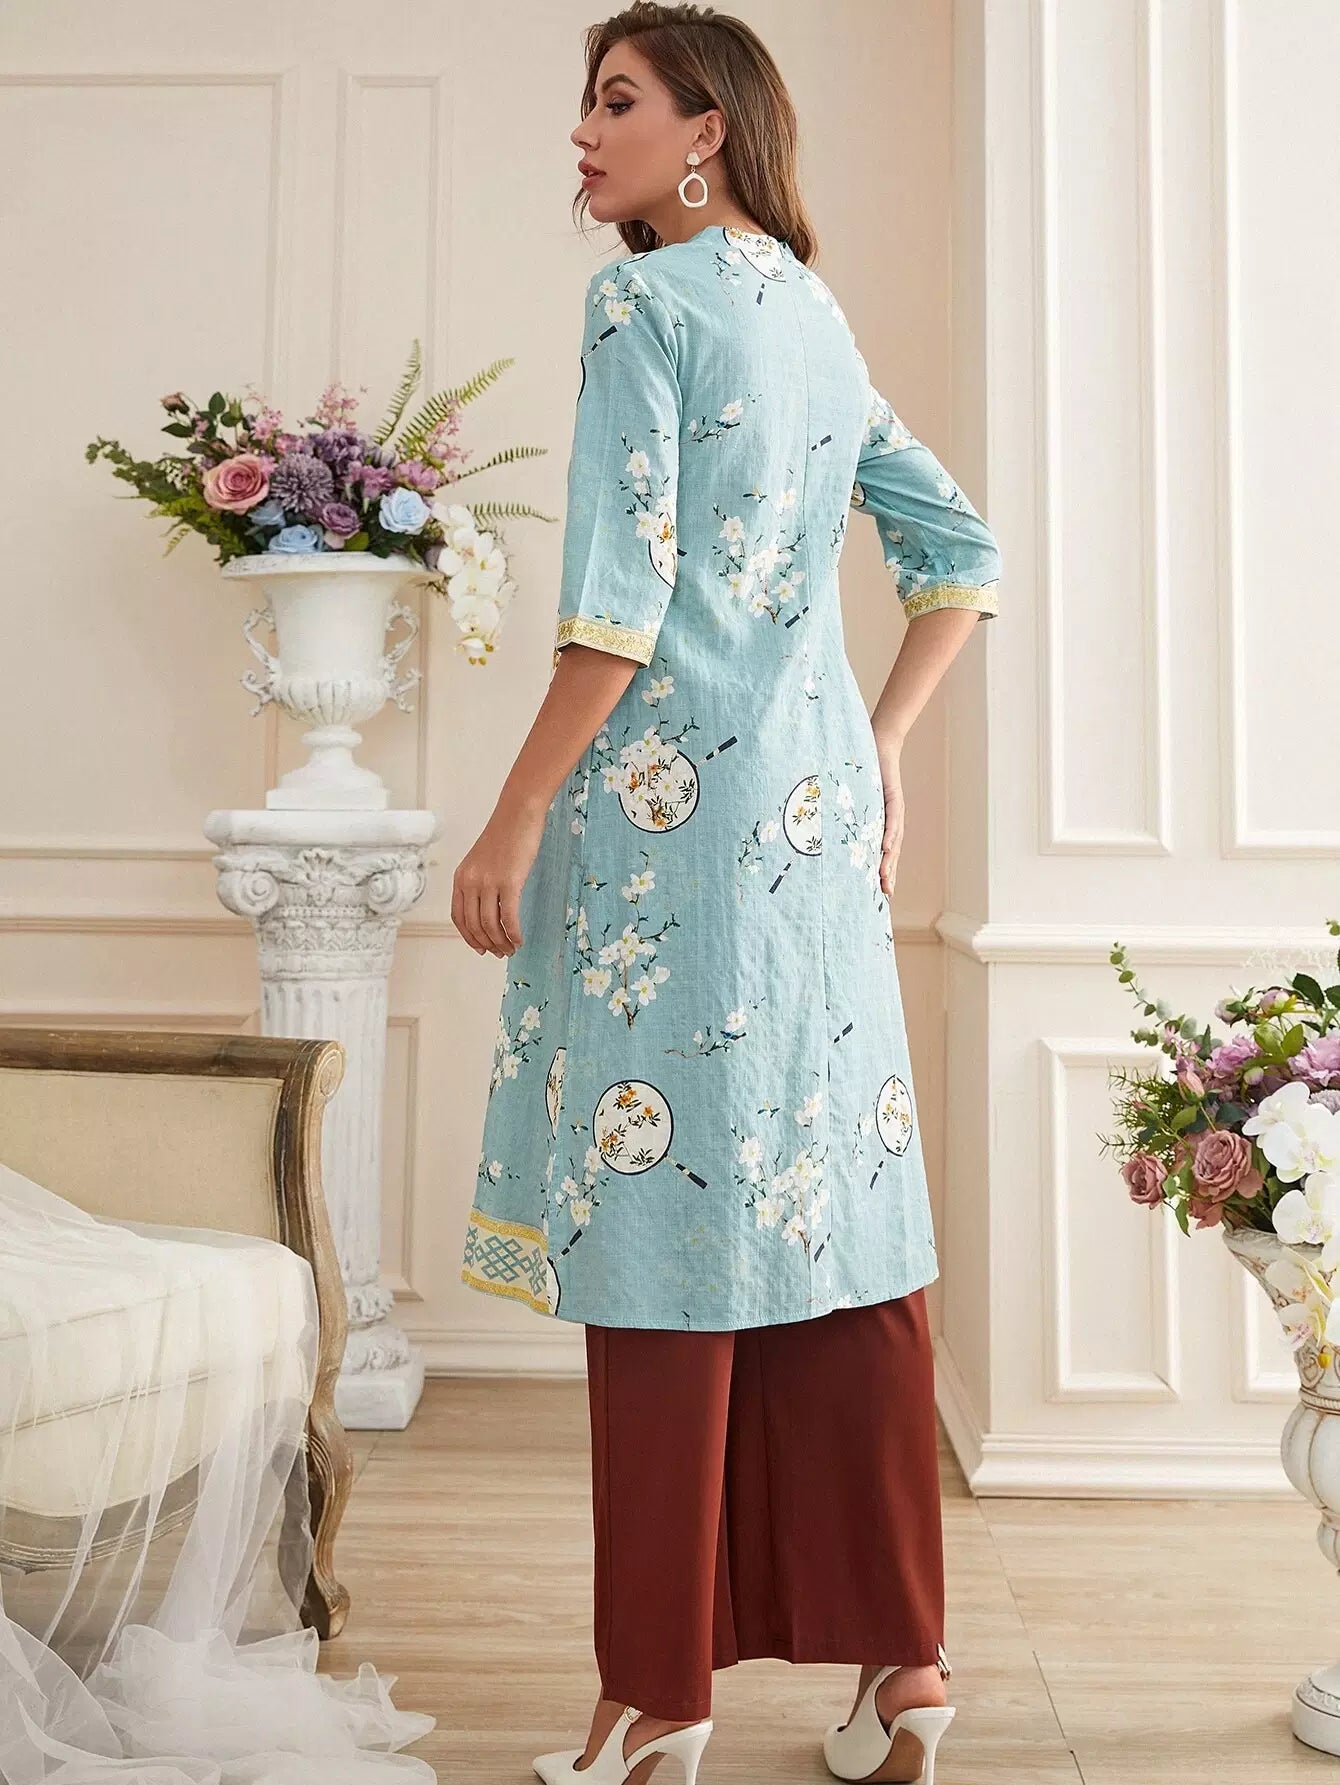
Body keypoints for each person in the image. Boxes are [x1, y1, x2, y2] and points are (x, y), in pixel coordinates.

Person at [452, 5, 1002, 1782]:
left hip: (671, 846)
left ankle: (656, 1696)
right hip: (816, 837)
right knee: (838, 1223)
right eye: (583, 103)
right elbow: (961, 551)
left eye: (616, 100)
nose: (583, 132)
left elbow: (617, 609)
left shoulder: (647, 304)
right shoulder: (811, 312)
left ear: (708, 128)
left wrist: (512, 816)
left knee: (662, 1229)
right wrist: (882, 742)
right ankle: (905, 1669)